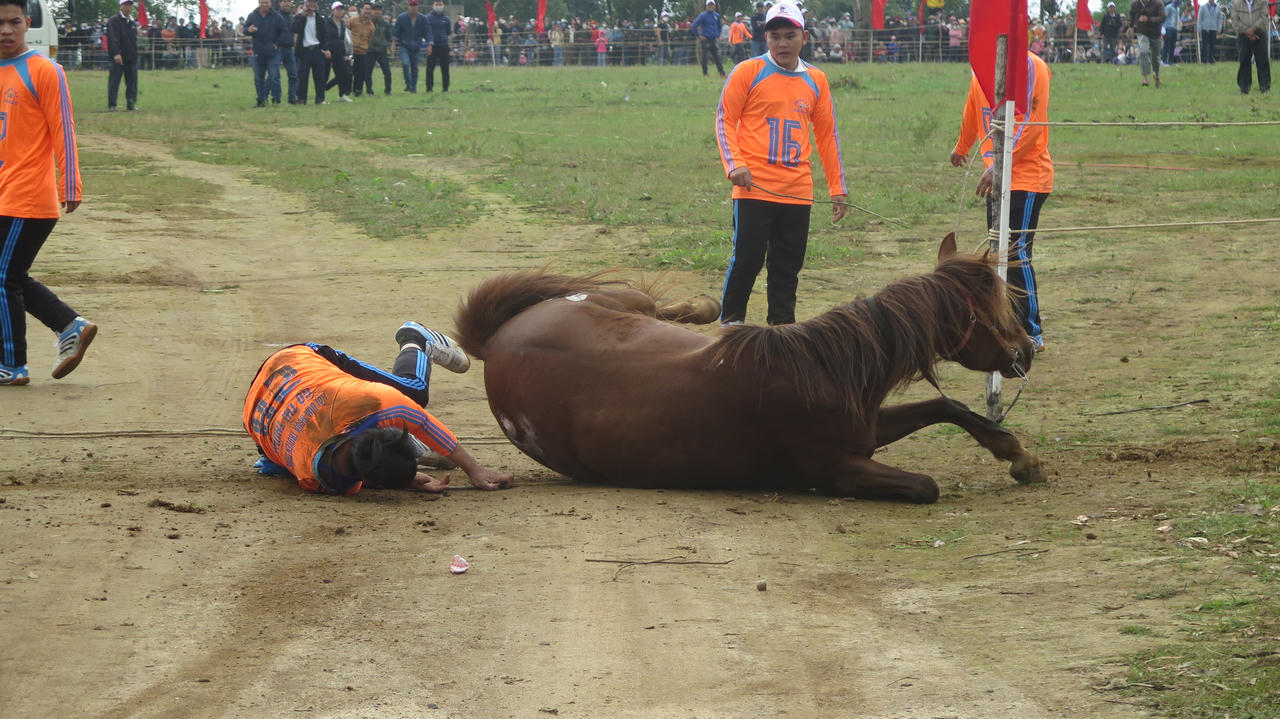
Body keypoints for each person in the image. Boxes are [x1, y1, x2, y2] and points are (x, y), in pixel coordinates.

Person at [244, 322, 513, 496]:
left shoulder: (375, 402)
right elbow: (361, 478)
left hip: (294, 364)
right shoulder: (319, 479)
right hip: (259, 406)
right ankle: (416, 339)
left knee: (410, 395)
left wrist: (473, 469)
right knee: (411, 397)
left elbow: (423, 422)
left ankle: (415, 340)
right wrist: (405, 478)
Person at [714, 2, 847, 327]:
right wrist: (735, 164)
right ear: (766, 37)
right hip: (753, 189)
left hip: (797, 192)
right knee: (747, 261)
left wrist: (837, 187)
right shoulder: (748, 71)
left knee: (786, 269)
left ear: (804, 37)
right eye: (775, 36)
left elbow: (827, 136)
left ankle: (782, 335)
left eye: (790, 36)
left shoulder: (816, 79)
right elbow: (725, 120)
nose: (782, 44)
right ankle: (731, 329)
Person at [0, 0, 94, 387]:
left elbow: (63, 129)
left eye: (14, 22)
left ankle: (11, 364)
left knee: (3, 276)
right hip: (3, 192)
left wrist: (69, 181)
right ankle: (69, 324)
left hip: (29, 195)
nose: (5, 30)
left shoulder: (44, 70)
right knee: (12, 275)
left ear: (27, 24)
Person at [950, 51, 1053, 352]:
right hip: (997, 178)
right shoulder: (983, 66)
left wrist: (998, 166)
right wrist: (962, 146)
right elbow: (973, 107)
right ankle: (1007, 325)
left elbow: (1032, 125)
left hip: (1028, 175)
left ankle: (1031, 331)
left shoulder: (1033, 66)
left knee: (1015, 252)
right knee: (998, 252)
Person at [245, 0, 289, 107]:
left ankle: (276, 99)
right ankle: (261, 100)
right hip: (258, 52)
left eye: (267, 2)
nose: (264, 4)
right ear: (259, 3)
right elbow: (245, 29)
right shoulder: (252, 16)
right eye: (262, 2)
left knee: (274, 76)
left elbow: (284, 31)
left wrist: (277, 44)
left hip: (273, 52)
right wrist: (249, 30)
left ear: (270, 3)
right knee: (258, 78)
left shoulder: (277, 17)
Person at [293, 0, 330, 104]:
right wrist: (303, 15)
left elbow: (325, 36)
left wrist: (326, 49)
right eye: (310, 2)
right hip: (304, 50)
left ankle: (320, 99)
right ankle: (301, 99)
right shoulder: (299, 17)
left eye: (315, 2)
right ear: (306, 4)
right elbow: (295, 29)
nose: (312, 5)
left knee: (319, 77)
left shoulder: (320, 19)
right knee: (302, 76)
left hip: (317, 50)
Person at [1230, 0, 1270, 94]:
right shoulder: (1236, 3)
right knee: (1244, 61)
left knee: (1262, 61)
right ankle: (1244, 88)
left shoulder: (1262, 2)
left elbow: (1264, 17)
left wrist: (1253, 29)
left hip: (1260, 33)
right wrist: (1246, 31)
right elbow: (1235, 21)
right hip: (1243, 35)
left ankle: (1265, 88)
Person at [106, 0, 138, 111]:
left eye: (130, 5)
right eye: (126, 5)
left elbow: (134, 40)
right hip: (118, 57)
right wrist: (116, 53)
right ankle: (112, 105)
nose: (128, 7)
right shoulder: (113, 21)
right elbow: (112, 38)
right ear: (121, 6)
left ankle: (131, 104)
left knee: (132, 83)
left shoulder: (133, 22)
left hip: (131, 57)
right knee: (114, 82)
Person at [392, 0, 429, 92]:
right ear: (408, 6)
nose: (413, 7)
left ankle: (413, 88)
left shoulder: (423, 18)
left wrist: (429, 44)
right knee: (405, 64)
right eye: (411, 5)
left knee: (414, 68)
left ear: (418, 6)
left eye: (415, 5)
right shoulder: (401, 17)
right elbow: (396, 31)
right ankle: (408, 84)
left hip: (416, 47)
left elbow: (428, 32)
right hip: (404, 46)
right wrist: (393, 42)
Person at [1129, 0, 1165, 87]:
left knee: (1155, 57)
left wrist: (1148, 19)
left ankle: (1156, 75)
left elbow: (1162, 17)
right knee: (1144, 52)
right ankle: (1146, 79)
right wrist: (1130, 27)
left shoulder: (1158, 3)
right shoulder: (1135, 4)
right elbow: (1132, 15)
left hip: (1155, 33)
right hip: (1142, 32)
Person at [692, 0, 726, 78]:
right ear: (706, 6)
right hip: (705, 39)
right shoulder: (702, 15)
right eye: (709, 5)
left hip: (713, 39)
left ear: (714, 6)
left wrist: (717, 35)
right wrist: (698, 35)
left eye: (712, 5)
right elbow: (694, 25)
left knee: (717, 57)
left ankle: (722, 73)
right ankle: (705, 73)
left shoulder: (717, 15)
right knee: (705, 57)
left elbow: (719, 27)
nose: (711, 6)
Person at [346, 3, 373, 97]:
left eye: (369, 9)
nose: (367, 11)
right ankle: (347, 91)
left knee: (361, 74)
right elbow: (346, 32)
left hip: (363, 52)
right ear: (361, 10)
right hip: (352, 51)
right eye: (365, 9)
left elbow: (369, 40)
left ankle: (358, 91)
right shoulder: (353, 20)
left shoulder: (371, 26)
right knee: (349, 72)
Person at [365, 3, 392, 95]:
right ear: (372, 11)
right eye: (375, 9)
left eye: (379, 10)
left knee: (387, 72)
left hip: (382, 51)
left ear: (381, 11)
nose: (377, 11)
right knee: (367, 73)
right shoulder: (367, 22)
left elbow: (389, 37)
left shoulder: (386, 24)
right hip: (369, 51)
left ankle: (388, 90)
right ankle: (369, 90)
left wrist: (390, 45)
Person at [424, 0, 450, 92]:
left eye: (440, 4)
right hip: (432, 46)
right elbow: (426, 31)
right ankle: (429, 88)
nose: (438, 6)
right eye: (436, 4)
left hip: (444, 46)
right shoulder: (428, 18)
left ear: (443, 6)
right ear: (433, 5)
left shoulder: (446, 19)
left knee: (445, 69)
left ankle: (445, 89)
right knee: (430, 68)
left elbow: (448, 32)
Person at [277, 0, 299, 103]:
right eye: (284, 1)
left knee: (293, 74)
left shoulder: (292, 17)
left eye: (288, 1)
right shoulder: (275, 16)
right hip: (278, 49)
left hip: (289, 49)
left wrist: (295, 44)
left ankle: (292, 97)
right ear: (280, 3)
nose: (287, 4)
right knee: (274, 75)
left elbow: (294, 32)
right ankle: (270, 96)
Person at [1161, 0, 1180, 66]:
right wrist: (1162, 29)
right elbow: (1163, 18)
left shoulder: (1178, 9)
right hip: (1168, 28)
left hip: (1174, 29)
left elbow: (1177, 19)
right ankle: (1164, 61)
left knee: (1172, 46)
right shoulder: (1168, 7)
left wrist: (1177, 28)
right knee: (1166, 45)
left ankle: (1171, 61)